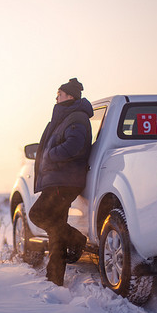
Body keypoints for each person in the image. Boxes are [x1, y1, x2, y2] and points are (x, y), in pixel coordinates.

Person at [29, 78, 93, 286]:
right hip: (59, 180)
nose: (56, 97)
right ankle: (54, 278)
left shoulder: (76, 117)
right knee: (55, 229)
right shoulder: (66, 117)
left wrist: (50, 154)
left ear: (70, 96)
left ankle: (77, 239)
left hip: (63, 182)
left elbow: (74, 145)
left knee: (38, 215)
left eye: (59, 93)